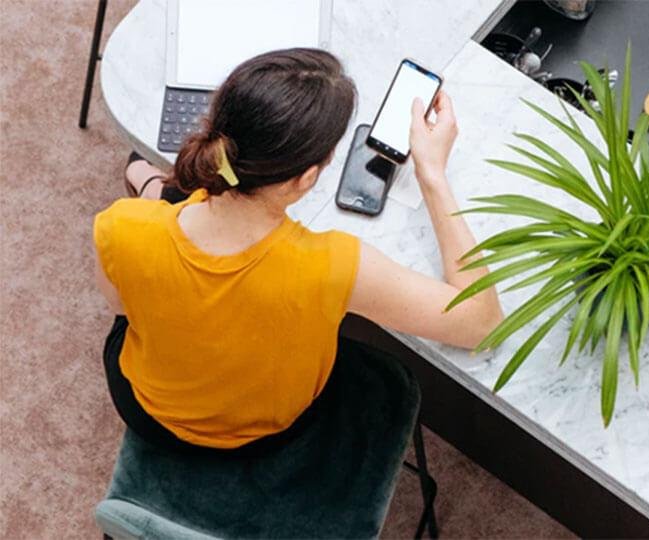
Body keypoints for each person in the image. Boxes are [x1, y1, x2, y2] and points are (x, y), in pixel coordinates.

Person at [94, 48, 503, 452]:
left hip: (147, 411)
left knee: (166, 211)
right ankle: (154, 184)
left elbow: (124, 309)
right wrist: (432, 173)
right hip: (270, 431)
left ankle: (150, 183)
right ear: (306, 178)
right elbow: (482, 325)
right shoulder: (333, 265)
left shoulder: (119, 226)